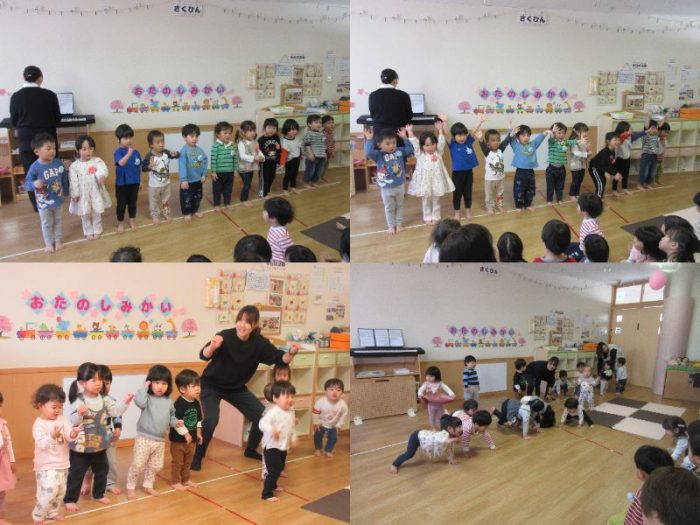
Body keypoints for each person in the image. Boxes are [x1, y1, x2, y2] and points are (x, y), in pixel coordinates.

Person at [192, 306, 300, 470]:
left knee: (262, 416)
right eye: (240, 320)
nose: (242, 325)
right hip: (211, 385)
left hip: (236, 388)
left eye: (247, 322)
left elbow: (280, 359)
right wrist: (213, 346)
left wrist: (291, 352)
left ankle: (250, 450)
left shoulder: (259, 343)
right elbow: (203, 355)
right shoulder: (225, 336)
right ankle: (198, 456)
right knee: (211, 420)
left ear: (255, 325)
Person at [64, 362, 134, 512]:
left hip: (100, 444)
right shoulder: (79, 400)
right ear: (82, 383)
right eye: (94, 380)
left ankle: (98, 494)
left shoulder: (105, 399)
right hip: (81, 446)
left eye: (100, 380)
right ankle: (70, 499)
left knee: (102, 470)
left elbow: (115, 412)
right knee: (77, 473)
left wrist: (125, 402)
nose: (98, 383)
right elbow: (73, 421)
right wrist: (80, 413)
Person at [9, 65, 61, 212]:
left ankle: (38, 207)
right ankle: (54, 203)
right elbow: (57, 119)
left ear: (24, 78)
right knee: (51, 172)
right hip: (48, 144)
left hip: (27, 144)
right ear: (41, 78)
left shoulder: (16, 96)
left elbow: (14, 122)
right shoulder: (50, 95)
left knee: (31, 174)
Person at [125, 366, 178, 500]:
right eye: (157, 382)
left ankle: (148, 485)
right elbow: (139, 402)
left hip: (160, 440)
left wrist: (176, 423)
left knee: (154, 466)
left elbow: (172, 416)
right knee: (138, 463)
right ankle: (130, 487)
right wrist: (144, 388)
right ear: (150, 383)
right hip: (144, 438)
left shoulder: (168, 400)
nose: (160, 386)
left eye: (164, 383)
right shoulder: (147, 397)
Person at [30, 385, 80, 525]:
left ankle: (52, 512)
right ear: (40, 405)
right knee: (48, 492)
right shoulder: (39, 424)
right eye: (54, 407)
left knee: (60, 492)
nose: (58, 410)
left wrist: (73, 433)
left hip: (62, 463)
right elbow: (42, 444)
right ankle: (38, 516)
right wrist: (52, 436)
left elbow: (68, 436)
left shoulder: (62, 419)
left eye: (60, 407)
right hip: (46, 466)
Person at [80, 365, 122, 497]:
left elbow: (117, 415)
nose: (104, 386)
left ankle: (110, 483)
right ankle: (87, 481)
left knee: (110, 461)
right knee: (89, 461)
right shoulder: (87, 400)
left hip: (108, 435)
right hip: (91, 435)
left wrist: (118, 428)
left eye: (108, 383)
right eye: (101, 382)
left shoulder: (111, 400)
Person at [364, 127, 414, 235]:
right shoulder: (378, 155)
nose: (392, 146)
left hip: (399, 185)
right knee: (389, 207)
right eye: (388, 143)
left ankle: (399, 225)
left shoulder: (399, 151)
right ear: (379, 145)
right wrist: (369, 139)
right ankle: (391, 226)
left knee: (399, 206)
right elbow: (368, 152)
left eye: (394, 142)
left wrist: (405, 138)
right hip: (386, 188)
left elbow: (410, 149)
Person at [24, 133, 68, 253]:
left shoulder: (58, 163)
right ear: (37, 151)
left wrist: (66, 192)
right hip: (44, 203)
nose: (53, 151)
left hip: (58, 200)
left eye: (54, 148)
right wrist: (34, 184)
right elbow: (27, 184)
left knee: (58, 221)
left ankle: (58, 240)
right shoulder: (34, 167)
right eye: (48, 148)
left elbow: (64, 178)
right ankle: (49, 243)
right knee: (47, 223)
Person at [406, 120, 454, 225]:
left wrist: (440, 130)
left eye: (433, 144)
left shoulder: (439, 152)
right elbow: (414, 143)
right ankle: (427, 217)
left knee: (436, 200)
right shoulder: (420, 154)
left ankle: (436, 216)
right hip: (425, 182)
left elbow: (442, 141)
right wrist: (410, 131)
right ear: (422, 146)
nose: (430, 147)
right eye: (427, 145)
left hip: (436, 181)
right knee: (426, 201)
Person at [610, 446, 673, 525]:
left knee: (612, 520)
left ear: (641, 474)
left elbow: (632, 521)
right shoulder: (673, 490)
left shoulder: (643, 497)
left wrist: (635, 500)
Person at [259, 381, 297, 501]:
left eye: (292, 396)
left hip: (282, 447)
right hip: (271, 447)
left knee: (280, 468)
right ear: (275, 398)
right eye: (286, 396)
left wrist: (294, 439)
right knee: (274, 471)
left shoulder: (290, 413)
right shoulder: (273, 412)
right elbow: (262, 423)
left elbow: (291, 428)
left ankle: (273, 485)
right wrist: (271, 430)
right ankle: (266, 493)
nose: (290, 399)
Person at [443, 114, 486, 220]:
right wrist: (445, 122)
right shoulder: (452, 144)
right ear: (454, 137)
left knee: (468, 193)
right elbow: (447, 133)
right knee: (457, 194)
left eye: (463, 135)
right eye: (459, 135)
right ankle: (457, 213)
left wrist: (480, 121)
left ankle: (468, 212)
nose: (462, 137)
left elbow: (473, 131)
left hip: (468, 173)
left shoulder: (468, 141)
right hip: (457, 175)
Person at [69, 135, 111, 241]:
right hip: (82, 194)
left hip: (95, 191)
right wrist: (75, 194)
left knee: (97, 212)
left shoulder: (97, 161)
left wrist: (102, 176)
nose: (88, 152)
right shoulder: (74, 166)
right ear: (77, 150)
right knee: (85, 213)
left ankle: (97, 229)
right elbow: (73, 181)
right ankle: (88, 231)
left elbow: (103, 169)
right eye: (84, 149)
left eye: (91, 148)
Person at [389, 414, 463, 473]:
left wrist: (450, 459)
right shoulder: (443, 434)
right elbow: (441, 440)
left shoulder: (451, 436)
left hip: (423, 435)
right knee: (409, 454)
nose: (461, 429)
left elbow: (450, 448)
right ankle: (395, 464)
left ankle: (421, 446)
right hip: (416, 437)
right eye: (459, 427)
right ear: (449, 428)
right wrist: (452, 440)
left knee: (448, 445)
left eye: (461, 426)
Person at [169, 369, 203, 491]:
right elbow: (176, 422)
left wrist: (198, 433)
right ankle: (175, 481)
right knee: (178, 462)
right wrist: (186, 434)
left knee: (188, 462)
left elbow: (199, 420)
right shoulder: (179, 404)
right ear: (183, 389)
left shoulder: (196, 403)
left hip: (191, 441)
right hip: (178, 441)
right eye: (193, 386)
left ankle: (186, 479)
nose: (197, 389)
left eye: (198, 385)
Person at [475, 117, 513, 214]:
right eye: (493, 140)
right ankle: (490, 207)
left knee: (500, 193)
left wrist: (509, 124)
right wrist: (480, 138)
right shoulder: (487, 152)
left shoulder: (500, 149)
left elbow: (508, 139)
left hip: (501, 177)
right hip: (490, 179)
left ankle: (500, 205)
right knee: (489, 194)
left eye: (498, 140)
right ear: (488, 143)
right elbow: (482, 144)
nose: (496, 142)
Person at [142, 130, 179, 224]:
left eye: (162, 141)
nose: (161, 144)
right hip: (154, 185)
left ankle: (166, 213)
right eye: (158, 142)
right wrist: (149, 166)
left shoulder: (165, 152)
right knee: (153, 201)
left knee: (165, 200)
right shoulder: (149, 156)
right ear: (151, 145)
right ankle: (155, 215)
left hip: (166, 183)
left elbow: (175, 155)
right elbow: (143, 168)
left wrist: (176, 153)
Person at [368, 68, 413, 144]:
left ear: (382, 80)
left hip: (379, 136)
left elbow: (373, 116)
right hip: (399, 135)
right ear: (395, 80)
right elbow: (409, 116)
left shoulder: (372, 95)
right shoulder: (403, 95)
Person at [510, 125, 548, 211]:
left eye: (528, 135)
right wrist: (510, 128)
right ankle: (519, 205)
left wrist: (545, 133)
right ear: (518, 137)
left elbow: (539, 139)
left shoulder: (532, 144)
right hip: (520, 172)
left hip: (530, 172)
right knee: (519, 189)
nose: (526, 137)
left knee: (530, 189)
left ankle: (528, 204)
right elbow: (511, 138)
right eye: (523, 135)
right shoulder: (516, 145)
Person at [545, 122, 584, 206]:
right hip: (551, 170)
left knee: (560, 186)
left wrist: (579, 140)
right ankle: (549, 200)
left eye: (563, 133)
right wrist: (552, 133)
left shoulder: (565, 142)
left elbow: (572, 141)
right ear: (554, 133)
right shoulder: (552, 142)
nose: (562, 135)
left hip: (561, 169)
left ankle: (559, 199)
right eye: (559, 133)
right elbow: (551, 138)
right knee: (550, 186)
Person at [114, 124, 143, 233]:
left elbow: (139, 166)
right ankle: (120, 223)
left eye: (130, 137)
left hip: (134, 182)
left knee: (132, 203)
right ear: (118, 140)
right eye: (125, 138)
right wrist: (129, 154)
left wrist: (140, 180)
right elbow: (121, 163)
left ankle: (132, 221)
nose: (129, 140)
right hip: (122, 184)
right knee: (121, 205)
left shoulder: (136, 152)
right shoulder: (118, 152)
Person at [179, 123, 208, 221]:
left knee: (198, 197)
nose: (195, 138)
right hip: (188, 181)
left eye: (196, 136)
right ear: (184, 137)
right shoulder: (184, 151)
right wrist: (183, 180)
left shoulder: (200, 150)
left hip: (198, 180)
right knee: (186, 198)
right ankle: (187, 212)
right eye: (192, 136)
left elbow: (205, 161)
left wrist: (204, 174)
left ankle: (195, 210)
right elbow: (182, 166)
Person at [312, 378, 348, 458]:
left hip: (333, 426)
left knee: (333, 438)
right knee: (317, 436)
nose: (335, 392)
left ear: (342, 392)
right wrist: (316, 422)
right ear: (326, 391)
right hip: (321, 424)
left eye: (338, 390)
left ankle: (328, 450)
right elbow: (315, 412)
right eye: (331, 389)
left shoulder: (343, 405)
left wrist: (339, 425)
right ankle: (318, 449)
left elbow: (344, 415)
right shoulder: (321, 402)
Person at [567, 192, 604, 261]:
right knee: (565, 246)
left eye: (578, 205)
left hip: (585, 251)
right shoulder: (590, 217)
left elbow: (599, 241)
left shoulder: (592, 227)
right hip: (581, 245)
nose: (577, 207)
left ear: (585, 212)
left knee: (569, 259)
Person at [210, 121, 238, 210]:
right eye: (225, 133)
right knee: (217, 190)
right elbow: (213, 160)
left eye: (229, 133)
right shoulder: (216, 146)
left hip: (229, 173)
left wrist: (235, 169)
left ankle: (227, 203)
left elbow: (235, 158)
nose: (228, 135)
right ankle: (217, 204)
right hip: (218, 173)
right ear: (218, 134)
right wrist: (213, 172)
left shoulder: (232, 145)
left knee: (228, 189)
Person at [235, 120, 264, 207]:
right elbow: (242, 156)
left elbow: (258, 151)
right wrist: (254, 158)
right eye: (250, 131)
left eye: (253, 130)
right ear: (244, 132)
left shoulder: (255, 142)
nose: (252, 133)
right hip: (243, 168)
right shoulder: (241, 143)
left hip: (250, 167)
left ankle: (245, 198)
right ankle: (244, 199)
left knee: (248, 184)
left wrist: (262, 157)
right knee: (247, 184)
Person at [613, 121, 645, 196]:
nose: (631, 130)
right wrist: (624, 136)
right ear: (624, 130)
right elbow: (620, 141)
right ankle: (614, 190)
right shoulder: (619, 138)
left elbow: (638, 134)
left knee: (626, 174)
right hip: (619, 159)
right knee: (617, 175)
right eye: (630, 129)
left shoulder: (629, 137)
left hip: (627, 159)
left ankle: (625, 189)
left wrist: (646, 131)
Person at [589, 132, 622, 199]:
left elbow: (610, 164)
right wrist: (607, 172)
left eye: (618, 140)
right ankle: (598, 198)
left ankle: (598, 196)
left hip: (601, 168)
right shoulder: (605, 152)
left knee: (603, 182)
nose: (617, 142)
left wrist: (614, 173)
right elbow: (603, 164)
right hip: (594, 168)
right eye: (615, 140)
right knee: (600, 183)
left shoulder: (612, 151)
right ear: (608, 141)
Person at [0, 391, 16, 525]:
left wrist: (12, 460)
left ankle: (0, 517)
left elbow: (8, 442)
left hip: (2, 462)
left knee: (1, 491)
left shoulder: (3, 424)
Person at [264, 197, 294, 264]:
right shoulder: (273, 226)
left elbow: (290, 252)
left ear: (273, 218)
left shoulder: (283, 236)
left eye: (265, 211)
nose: (263, 212)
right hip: (271, 257)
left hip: (278, 264)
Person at [637, 119, 663, 191]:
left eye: (656, 128)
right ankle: (640, 184)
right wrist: (648, 117)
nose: (655, 130)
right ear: (648, 129)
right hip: (646, 156)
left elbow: (660, 126)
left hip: (654, 156)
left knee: (652, 172)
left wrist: (664, 118)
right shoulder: (645, 135)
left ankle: (647, 183)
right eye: (653, 128)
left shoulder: (656, 136)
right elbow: (646, 126)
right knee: (644, 171)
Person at [258, 118, 281, 198]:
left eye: (274, 128)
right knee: (265, 178)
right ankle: (263, 194)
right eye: (269, 127)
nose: (271, 130)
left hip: (273, 162)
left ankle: (267, 191)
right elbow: (258, 152)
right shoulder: (261, 140)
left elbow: (279, 149)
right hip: (264, 163)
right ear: (265, 127)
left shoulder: (276, 137)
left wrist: (279, 161)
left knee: (272, 177)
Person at [568, 122, 592, 201]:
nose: (586, 133)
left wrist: (588, 151)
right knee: (575, 181)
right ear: (577, 132)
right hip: (575, 165)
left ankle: (577, 193)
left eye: (586, 131)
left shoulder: (585, 140)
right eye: (584, 131)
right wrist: (587, 154)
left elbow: (587, 149)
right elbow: (576, 152)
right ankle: (572, 194)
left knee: (580, 180)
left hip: (582, 164)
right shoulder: (573, 141)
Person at [303, 115, 326, 188]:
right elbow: (307, 145)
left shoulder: (321, 134)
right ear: (309, 124)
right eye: (316, 122)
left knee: (318, 171)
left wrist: (324, 153)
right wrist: (310, 154)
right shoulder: (308, 134)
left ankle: (313, 181)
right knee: (310, 170)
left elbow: (323, 144)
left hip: (321, 156)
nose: (319, 124)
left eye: (320, 122)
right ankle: (306, 182)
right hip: (313, 156)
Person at [280, 119, 301, 195]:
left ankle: (293, 187)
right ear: (286, 130)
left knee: (295, 174)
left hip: (297, 159)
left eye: (295, 129)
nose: (294, 131)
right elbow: (283, 154)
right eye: (292, 130)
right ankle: (285, 189)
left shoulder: (297, 137)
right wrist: (282, 164)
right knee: (288, 175)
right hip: (290, 160)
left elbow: (298, 147)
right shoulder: (285, 141)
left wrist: (300, 154)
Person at [320, 115, 336, 182]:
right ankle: (317, 177)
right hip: (323, 152)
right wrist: (324, 153)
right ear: (323, 125)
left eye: (332, 122)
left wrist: (333, 151)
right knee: (321, 165)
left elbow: (333, 142)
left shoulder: (332, 133)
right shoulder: (322, 133)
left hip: (329, 152)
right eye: (329, 123)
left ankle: (322, 176)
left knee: (326, 165)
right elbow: (321, 145)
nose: (331, 124)